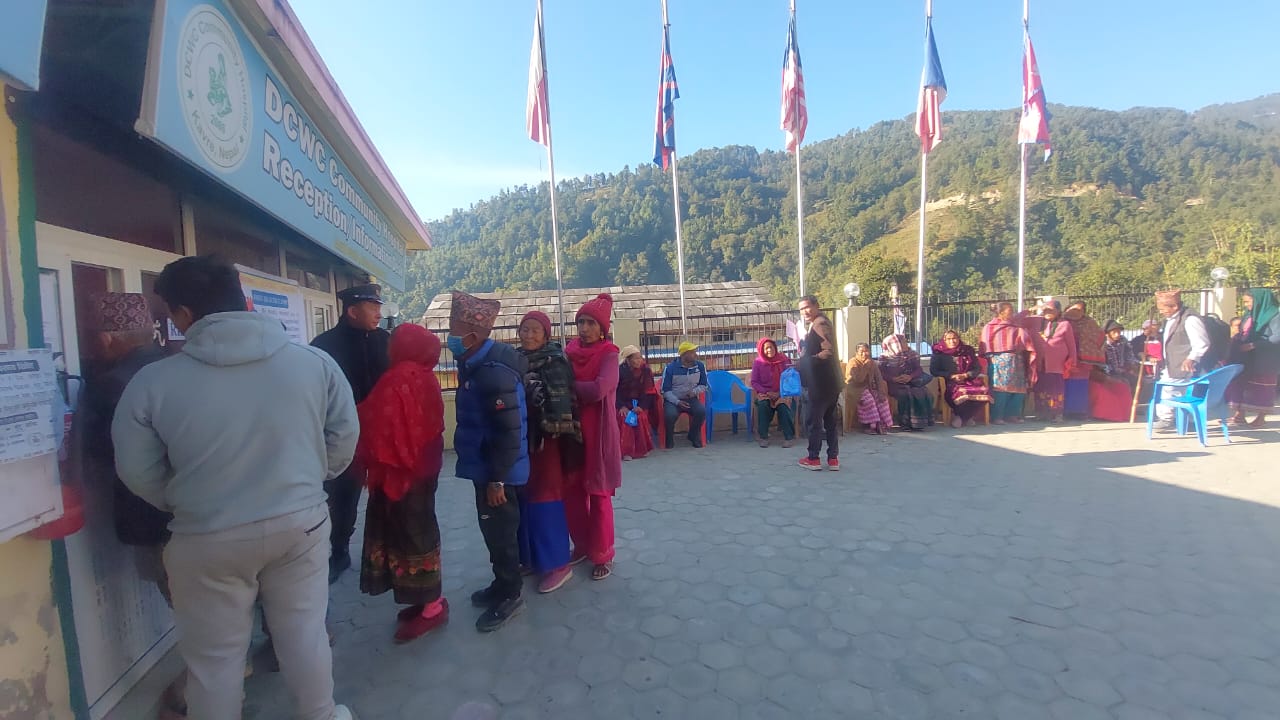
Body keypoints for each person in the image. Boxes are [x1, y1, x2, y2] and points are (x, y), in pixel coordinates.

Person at [112, 255, 359, 720]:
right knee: (304, 633)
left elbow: (136, 469)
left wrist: (186, 501)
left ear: (184, 313)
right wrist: (307, 481)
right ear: (241, 297)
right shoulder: (313, 363)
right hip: (300, 524)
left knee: (215, 659)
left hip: (206, 537)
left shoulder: (153, 383)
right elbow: (343, 438)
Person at [79, 293, 182, 717]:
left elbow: (101, 454)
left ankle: (198, 695)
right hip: (199, 510)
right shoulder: (180, 368)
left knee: (189, 608)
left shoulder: (110, 384)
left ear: (107, 338)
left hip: (152, 516)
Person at [355, 324, 448, 643]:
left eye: (393, 342)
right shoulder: (426, 376)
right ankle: (424, 598)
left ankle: (433, 606)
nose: (388, 348)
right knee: (418, 530)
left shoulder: (399, 377)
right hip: (424, 467)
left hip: (403, 472)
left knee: (410, 534)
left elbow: (375, 418)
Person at [449, 291, 530, 632]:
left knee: (501, 534)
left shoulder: (493, 372)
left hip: (499, 472)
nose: (449, 338)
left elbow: (509, 431)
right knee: (492, 530)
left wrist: (497, 479)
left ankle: (510, 594)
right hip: (487, 467)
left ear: (472, 336)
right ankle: (501, 583)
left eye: (453, 331)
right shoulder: (475, 363)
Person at [311, 284, 390, 583]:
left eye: (379, 306)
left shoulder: (385, 341)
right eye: (373, 307)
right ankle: (339, 550)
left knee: (388, 495)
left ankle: (387, 552)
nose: (379, 313)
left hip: (382, 436)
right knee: (343, 496)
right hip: (344, 437)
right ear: (353, 311)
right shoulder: (324, 346)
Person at [516, 310, 577, 594]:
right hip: (521, 442)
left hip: (547, 441)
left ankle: (558, 565)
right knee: (526, 499)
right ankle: (533, 558)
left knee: (546, 499)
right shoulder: (514, 359)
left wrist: (542, 419)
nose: (528, 335)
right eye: (524, 329)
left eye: (535, 330)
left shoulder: (555, 361)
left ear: (546, 335)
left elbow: (562, 404)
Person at [565, 294, 623, 581]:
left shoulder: (610, 354)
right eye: (581, 322)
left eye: (590, 323)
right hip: (572, 431)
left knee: (599, 496)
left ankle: (602, 554)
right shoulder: (569, 351)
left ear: (602, 329)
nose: (584, 328)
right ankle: (582, 545)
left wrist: (568, 386)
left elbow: (601, 389)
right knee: (572, 494)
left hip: (599, 432)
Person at [1153, 289, 1210, 429]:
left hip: (1186, 365)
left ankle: (1168, 419)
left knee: (1169, 389)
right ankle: (1179, 420)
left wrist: (1191, 358)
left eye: (1163, 308)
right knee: (1171, 389)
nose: (1161, 312)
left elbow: (1202, 342)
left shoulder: (1190, 319)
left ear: (1174, 306)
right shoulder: (1170, 320)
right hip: (1173, 364)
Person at [796, 295, 840, 470]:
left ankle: (813, 458)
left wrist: (807, 361)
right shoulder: (819, 323)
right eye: (801, 309)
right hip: (830, 383)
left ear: (817, 306)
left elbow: (828, 351)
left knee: (814, 423)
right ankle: (833, 459)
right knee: (830, 422)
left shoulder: (820, 323)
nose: (804, 311)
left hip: (820, 383)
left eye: (807, 307)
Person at [1227, 289, 1280, 428]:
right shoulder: (1249, 315)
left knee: (1262, 387)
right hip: (1247, 357)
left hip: (1265, 358)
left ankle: (1261, 417)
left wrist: (1254, 345)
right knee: (1242, 384)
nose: (1246, 305)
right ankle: (1240, 414)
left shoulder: (1275, 315)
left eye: (1248, 301)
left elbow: (1277, 336)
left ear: (1259, 301)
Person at [979, 302, 1038, 425]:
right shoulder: (990, 327)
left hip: (1017, 361)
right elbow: (985, 346)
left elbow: (1021, 317)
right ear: (1000, 313)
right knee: (1000, 390)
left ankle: (1013, 415)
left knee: (1018, 390)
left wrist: (1030, 310)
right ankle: (997, 416)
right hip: (998, 362)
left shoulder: (1015, 324)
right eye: (1009, 311)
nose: (1012, 313)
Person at [930, 329, 993, 428]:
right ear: (944, 340)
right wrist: (951, 376)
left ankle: (962, 417)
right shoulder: (939, 353)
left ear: (958, 339)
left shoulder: (967, 351)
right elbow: (934, 370)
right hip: (950, 382)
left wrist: (966, 375)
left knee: (985, 391)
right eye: (949, 339)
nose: (952, 341)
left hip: (968, 380)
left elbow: (977, 368)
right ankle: (965, 417)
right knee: (961, 392)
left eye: (954, 338)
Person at [1031, 301, 1077, 423]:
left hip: (1056, 364)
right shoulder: (1039, 323)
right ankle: (1041, 413)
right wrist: (1033, 309)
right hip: (1040, 363)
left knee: (1055, 390)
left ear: (1058, 311)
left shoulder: (1065, 325)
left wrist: (1073, 361)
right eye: (1046, 310)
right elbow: (1021, 320)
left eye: (1051, 310)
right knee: (1040, 388)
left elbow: (1071, 345)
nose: (1048, 312)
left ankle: (1056, 414)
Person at [878, 334, 933, 431]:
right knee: (904, 394)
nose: (906, 343)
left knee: (923, 392)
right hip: (893, 384)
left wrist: (910, 377)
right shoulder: (884, 357)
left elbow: (918, 369)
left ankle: (919, 423)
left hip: (911, 381)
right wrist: (893, 379)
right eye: (902, 342)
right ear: (894, 344)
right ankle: (905, 423)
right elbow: (880, 373)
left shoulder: (912, 354)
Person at [749, 337, 796, 447]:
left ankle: (789, 437)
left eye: (771, 347)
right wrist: (766, 392)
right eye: (766, 348)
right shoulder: (758, 362)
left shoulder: (784, 360)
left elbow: (790, 378)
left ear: (775, 347)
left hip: (783, 392)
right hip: (766, 393)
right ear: (761, 350)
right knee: (763, 405)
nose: (769, 350)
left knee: (784, 406)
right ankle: (763, 437)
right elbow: (754, 382)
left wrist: (780, 392)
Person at [661, 341, 709, 449]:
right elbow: (665, 390)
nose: (695, 355)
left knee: (701, 412)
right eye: (692, 352)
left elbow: (703, 385)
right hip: (673, 400)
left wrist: (694, 392)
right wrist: (677, 402)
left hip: (691, 398)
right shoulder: (670, 368)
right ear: (684, 355)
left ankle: (693, 435)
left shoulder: (700, 366)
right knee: (670, 415)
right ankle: (669, 438)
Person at [1090, 319, 1140, 422]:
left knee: (1136, 381)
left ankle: (1129, 412)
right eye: (1114, 332)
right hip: (1103, 374)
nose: (1117, 334)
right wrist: (1109, 375)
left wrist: (1131, 366)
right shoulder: (1101, 343)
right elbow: (1099, 362)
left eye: (1119, 332)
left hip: (1121, 371)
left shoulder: (1123, 341)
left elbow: (1129, 355)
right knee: (1120, 385)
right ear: (1107, 333)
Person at [1063, 302, 1105, 419]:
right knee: (1066, 385)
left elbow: (1100, 337)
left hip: (1084, 361)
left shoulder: (1089, 322)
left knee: (1080, 386)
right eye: (1074, 309)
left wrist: (1087, 349)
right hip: (1065, 360)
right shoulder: (1061, 321)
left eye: (1080, 310)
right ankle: (1065, 411)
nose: (1076, 312)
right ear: (1067, 309)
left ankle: (1079, 412)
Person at [616, 344, 657, 460]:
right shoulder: (619, 371)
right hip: (622, 403)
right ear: (628, 360)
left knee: (640, 417)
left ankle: (641, 450)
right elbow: (614, 392)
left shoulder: (645, 371)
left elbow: (649, 391)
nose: (640, 360)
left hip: (638, 403)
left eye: (640, 357)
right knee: (625, 418)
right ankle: (626, 452)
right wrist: (621, 406)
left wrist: (641, 406)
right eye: (636, 358)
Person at [843, 343, 893, 435]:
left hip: (868, 388)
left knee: (882, 399)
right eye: (861, 352)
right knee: (869, 400)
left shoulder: (872, 363)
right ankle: (868, 425)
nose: (864, 354)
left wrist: (881, 392)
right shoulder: (853, 362)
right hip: (855, 389)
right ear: (857, 353)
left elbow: (878, 378)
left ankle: (881, 424)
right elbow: (858, 380)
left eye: (866, 351)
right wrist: (865, 366)